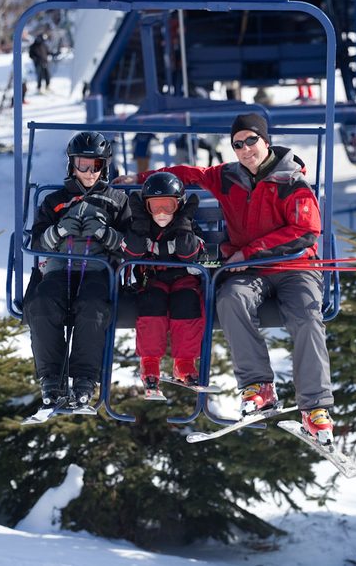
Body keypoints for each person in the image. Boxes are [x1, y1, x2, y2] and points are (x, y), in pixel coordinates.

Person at [115, 112, 334, 445]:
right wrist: (141, 177)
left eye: (251, 141)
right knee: (230, 299)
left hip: (294, 267)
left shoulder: (292, 181)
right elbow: (189, 174)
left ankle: (315, 408)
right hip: (247, 272)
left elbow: (305, 232)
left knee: (306, 317)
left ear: (266, 141)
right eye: (237, 144)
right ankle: (258, 387)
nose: (246, 149)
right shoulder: (228, 177)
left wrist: (249, 252)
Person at [24, 132, 130, 410]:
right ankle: (51, 379)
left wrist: (106, 235)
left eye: (95, 165)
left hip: (99, 271)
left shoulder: (116, 200)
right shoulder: (55, 200)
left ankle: (84, 380)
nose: (88, 172)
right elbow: (36, 242)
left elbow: (132, 245)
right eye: (82, 165)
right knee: (41, 304)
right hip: (59, 269)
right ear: (71, 165)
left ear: (104, 166)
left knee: (92, 307)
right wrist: (58, 230)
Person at [122, 172, 206, 396]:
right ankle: (149, 365)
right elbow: (131, 252)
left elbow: (189, 255)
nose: (160, 213)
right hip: (153, 278)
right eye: (154, 206)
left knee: (186, 303)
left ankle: (184, 363)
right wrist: (139, 222)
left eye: (167, 206)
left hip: (183, 279)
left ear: (178, 205)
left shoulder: (186, 225)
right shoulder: (142, 225)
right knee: (152, 305)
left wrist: (184, 224)